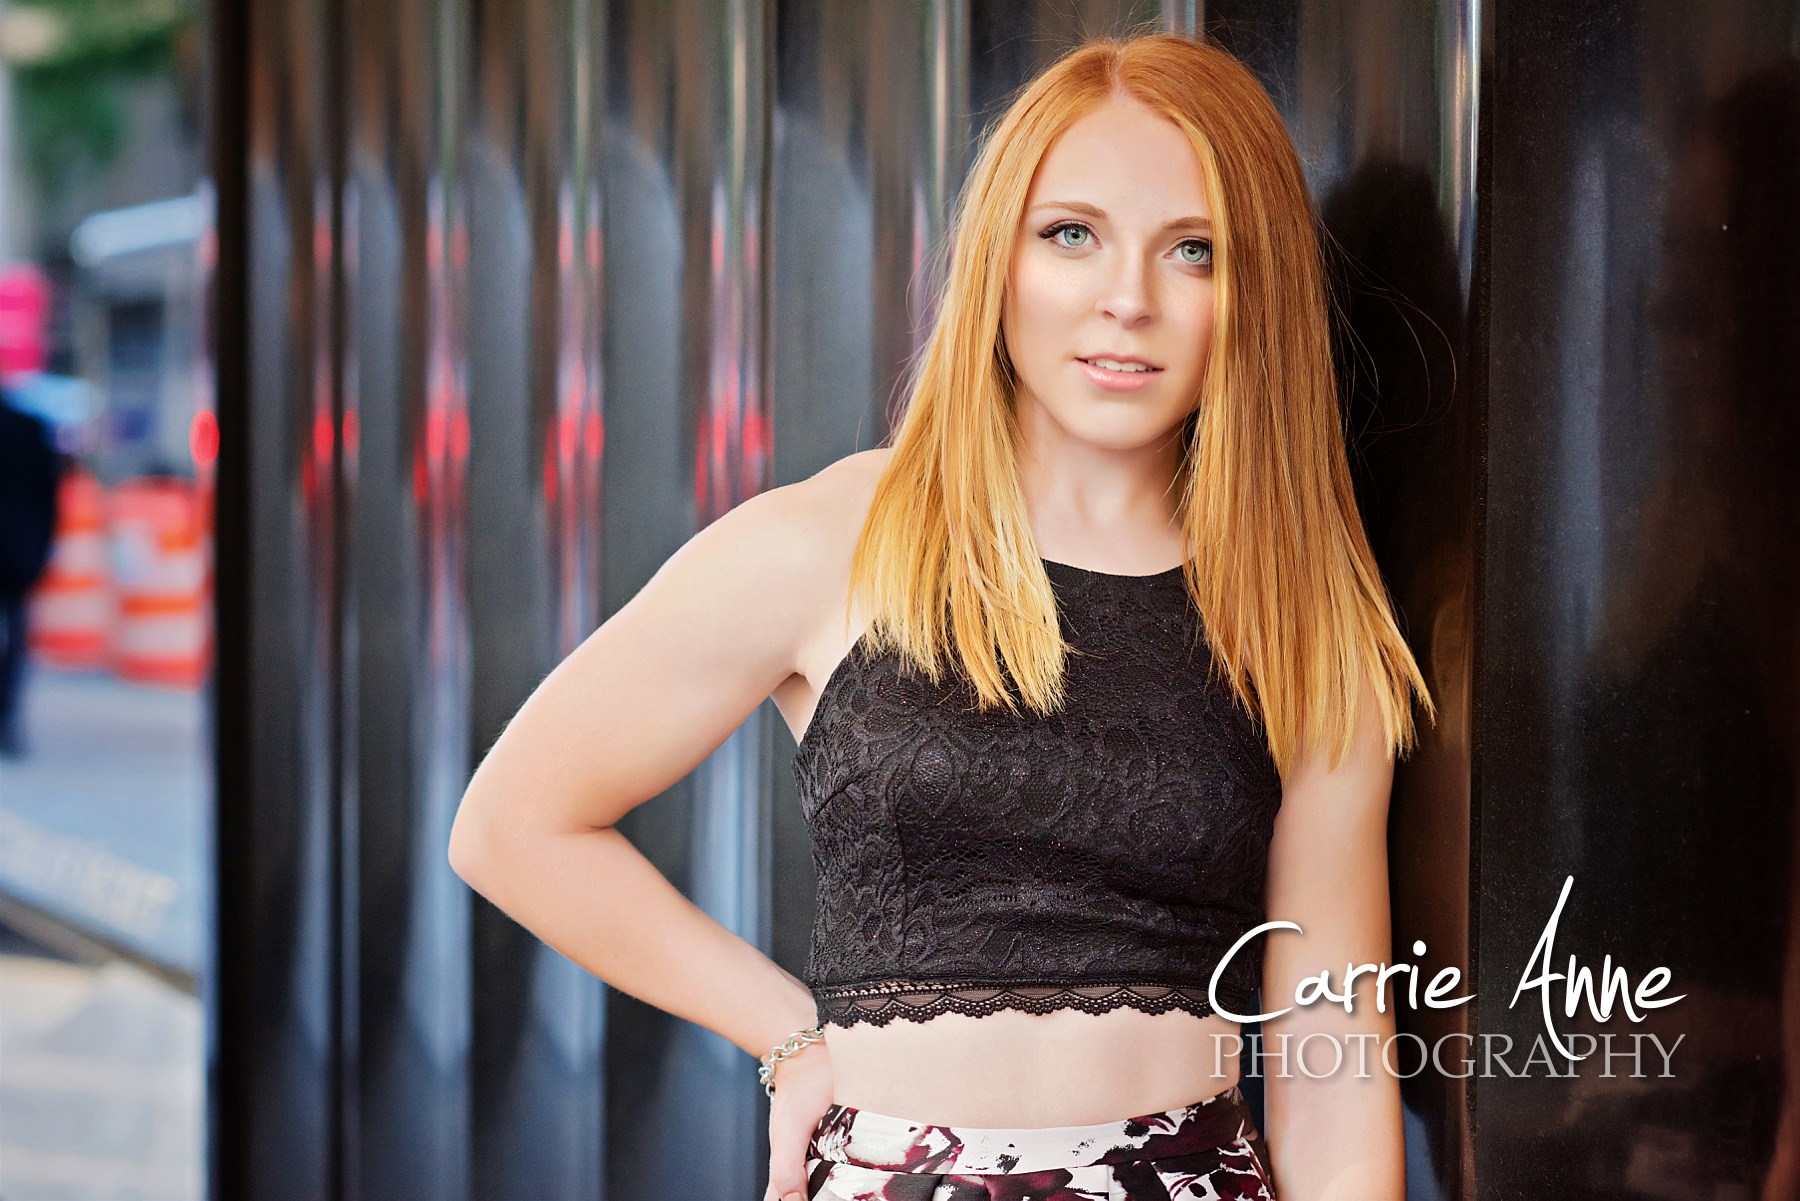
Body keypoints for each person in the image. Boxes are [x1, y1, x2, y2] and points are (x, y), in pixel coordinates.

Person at [450, 32, 1432, 1201]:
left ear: (1254, 291)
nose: (1128, 299)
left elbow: (1334, 1062)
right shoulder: (834, 541)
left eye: (1195, 250)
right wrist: (787, 1035)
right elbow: (514, 825)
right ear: (998, 259)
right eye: (1071, 234)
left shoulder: (1299, 614)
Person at [0, 384, 62, 757]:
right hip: (19, 549)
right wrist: (43, 548)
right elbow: (49, 495)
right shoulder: (30, 427)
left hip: (17, 548)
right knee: (17, 635)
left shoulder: (31, 427)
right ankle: (7, 714)